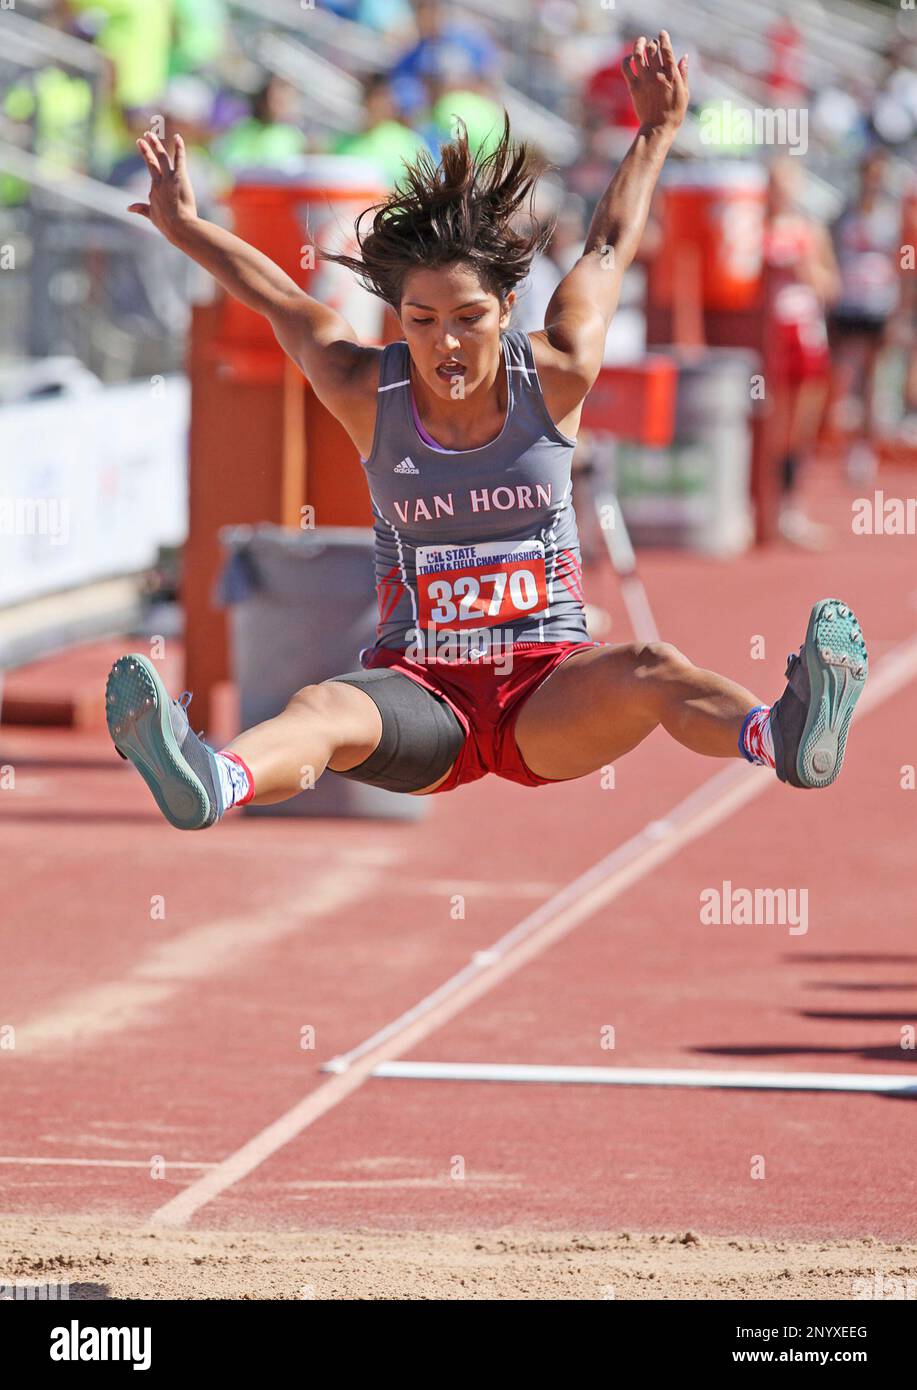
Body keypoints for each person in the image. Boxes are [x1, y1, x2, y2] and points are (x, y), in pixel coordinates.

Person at [108, 32, 868, 831]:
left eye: (468, 319)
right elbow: (280, 301)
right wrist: (185, 228)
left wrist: (655, 132)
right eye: (421, 320)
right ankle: (213, 777)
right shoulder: (368, 390)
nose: (444, 343)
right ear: (396, 321)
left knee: (652, 668)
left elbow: (608, 244)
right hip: (420, 696)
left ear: (507, 309)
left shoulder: (559, 368)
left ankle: (778, 734)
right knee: (325, 705)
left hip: (548, 692)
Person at [763, 157, 840, 548]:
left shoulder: (811, 232)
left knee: (799, 428)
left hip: (805, 338)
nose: (782, 192)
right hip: (768, 340)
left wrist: (807, 268)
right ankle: (766, 509)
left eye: (788, 184)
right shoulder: (755, 230)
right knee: (769, 427)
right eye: (776, 183)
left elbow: (830, 286)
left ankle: (791, 510)